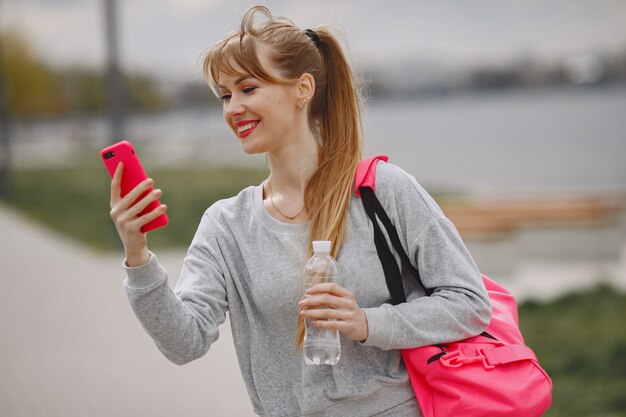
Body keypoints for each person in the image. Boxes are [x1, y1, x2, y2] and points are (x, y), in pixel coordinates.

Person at [108, 5, 491, 417]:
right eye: (225, 95)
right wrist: (138, 257)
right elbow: (184, 343)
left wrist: (367, 322)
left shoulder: (383, 192)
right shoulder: (227, 225)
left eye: (248, 89)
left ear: (302, 89)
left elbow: (469, 303)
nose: (232, 108)